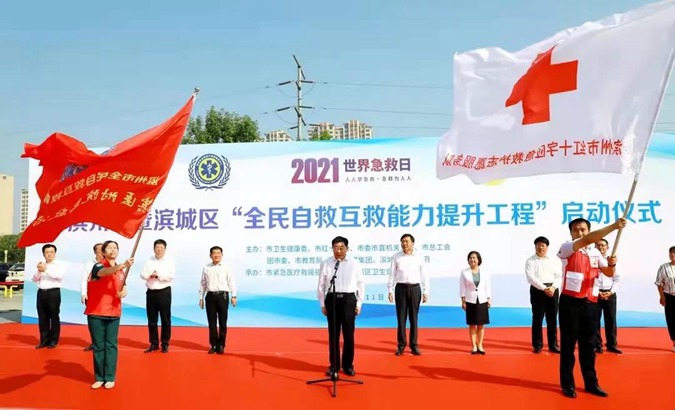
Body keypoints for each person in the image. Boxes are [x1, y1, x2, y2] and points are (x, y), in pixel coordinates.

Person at [557, 217, 626, 399]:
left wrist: (612, 263)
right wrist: (614, 226)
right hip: (570, 303)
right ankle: (567, 384)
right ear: (571, 233)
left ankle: (591, 383)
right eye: (576, 230)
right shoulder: (568, 247)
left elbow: (609, 273)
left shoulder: (596, 253)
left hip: (590, 303)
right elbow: (587, 240)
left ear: (589, 230)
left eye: (583, 229)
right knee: (568, 345)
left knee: (589, 346)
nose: (580, 233)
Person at [85, 240, 133, 390]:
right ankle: (99, 377)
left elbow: (124, 289)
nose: (113, 250)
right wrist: (122, 265)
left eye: (115, 247)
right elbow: (104, 273)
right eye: (110, 248)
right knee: (99, 346)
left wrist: (123, 293)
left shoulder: (121, 271)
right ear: (103, 252)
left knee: (111, 345)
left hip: (114, 311)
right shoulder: (99, 266)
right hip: (97, 311)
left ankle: (110, 377)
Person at [317, 236, 365, 376]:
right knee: (333, 334)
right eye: (335, 248)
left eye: (341, 248)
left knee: (348, 334)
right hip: (332, 299)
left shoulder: (354, 263)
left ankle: (348, 365)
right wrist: (322, 303)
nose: (338, 251)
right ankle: (334, 366)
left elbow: (360, 284)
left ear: (347, 248)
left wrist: (359, 303)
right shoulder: (326, 263)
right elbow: (321, 285)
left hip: (349, 299)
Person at [387, 233, 429, 356]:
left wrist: (426, 291)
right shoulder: (396, 257)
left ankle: (414, 345)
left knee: (414, 318)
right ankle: (401, 345)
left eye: (407, 241)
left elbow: (424, 275)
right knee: (401, 318)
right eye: (402, 242)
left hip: (415, 289)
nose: (404, 244)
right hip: (400, 288)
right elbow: (391, 274)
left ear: (412, 243)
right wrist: (390, 290)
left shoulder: (419, 257)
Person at [524, 236, 562, 354]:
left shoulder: (554, 260)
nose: (541, 247)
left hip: (552, 290)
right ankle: (537, 345)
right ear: (535, 246)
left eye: (543, 245)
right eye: (538, 245)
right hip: (537, 290)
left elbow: (559, 276)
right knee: (537, 318)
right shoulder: (530, 261)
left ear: (547, 247)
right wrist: (544, 288)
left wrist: (553, 287)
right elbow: (530, 278)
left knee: (552, 319)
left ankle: (553, 345)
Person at [199, 246, 237, 354]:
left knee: (222, 322)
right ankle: (214, 344)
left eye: (218, 253)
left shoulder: (226, 268)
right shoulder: (206, 268)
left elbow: (231, 282)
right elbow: (203, 284)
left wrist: (234, 296)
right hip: (210, 296)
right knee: (211, 322)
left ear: (222, 255)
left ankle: (221, 345)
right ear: (210, 255)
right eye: (214, 253)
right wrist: (201, 298)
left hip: (222, 296)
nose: (216, 255)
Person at [140, 239, 176, 353]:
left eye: (161, 248)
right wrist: (150, 275)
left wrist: (158, 275)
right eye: (157, 247)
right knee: (152, 319)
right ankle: (154, 343)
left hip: (164, 292)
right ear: (154, 248)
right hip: (151, 292)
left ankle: (165, 343)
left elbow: (171, 275)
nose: (159, 250)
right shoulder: (149, 260)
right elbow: (143, 274)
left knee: (165, 319)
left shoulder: (169, 261)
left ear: (165, 249)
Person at [31, 244, 65, 349]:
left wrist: (45, 270)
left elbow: (58, 276)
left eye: (51, 252)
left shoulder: (59, 264)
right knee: (42, 317)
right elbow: (34, 279)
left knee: (54, 317)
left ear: (55, 253)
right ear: (43, 254)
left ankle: (53, 340)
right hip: (41, 292)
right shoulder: (41, 265)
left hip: (53, 293)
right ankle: (44, 340)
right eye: (47, 252)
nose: (49, 254)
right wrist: (39, 271)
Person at [459, 251, 491, 355]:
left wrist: (489, 298)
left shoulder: (484, 272)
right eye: (470, 258)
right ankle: (474, 345)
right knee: (472, 324)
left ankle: (480, 345)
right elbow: (462, 287)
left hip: (482, 299)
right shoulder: (464, 272)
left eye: (474, 258)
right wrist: (463, 300)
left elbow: (487, 286)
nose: (472, 260)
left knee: (481, 324)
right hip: (470, 300)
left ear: (478, 260)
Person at [594, 239, 622, 354]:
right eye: (598, 245)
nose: (601, 247)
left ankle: (612, 344)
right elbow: (589, 278)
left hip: (610, 294)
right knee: (594, 320)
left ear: (607, 247)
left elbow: (617, 279)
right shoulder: (592, 260)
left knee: (611, 320)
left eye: (603, 245)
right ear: (595, 247)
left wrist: (611, 292)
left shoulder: (612, 261)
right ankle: (597, 345)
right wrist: (597, 292)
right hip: (595, 294)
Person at [81, 243, 103, 352]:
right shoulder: (89, 264)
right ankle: (95, 342)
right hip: (92, 296)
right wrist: (83, 293)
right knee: (93, 321)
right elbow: (84, 279)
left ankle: (103, 342)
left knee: (104, 320)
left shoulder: (110, 264)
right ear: (95, 252)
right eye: (100, 250)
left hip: (105, 296)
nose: (103, 252)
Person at [654, 246, 675, 353]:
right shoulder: (664, 267)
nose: (673, 255)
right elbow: (659, 283)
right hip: (670, 296)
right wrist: (662, 297)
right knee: (671, 320)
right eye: (671, 253)